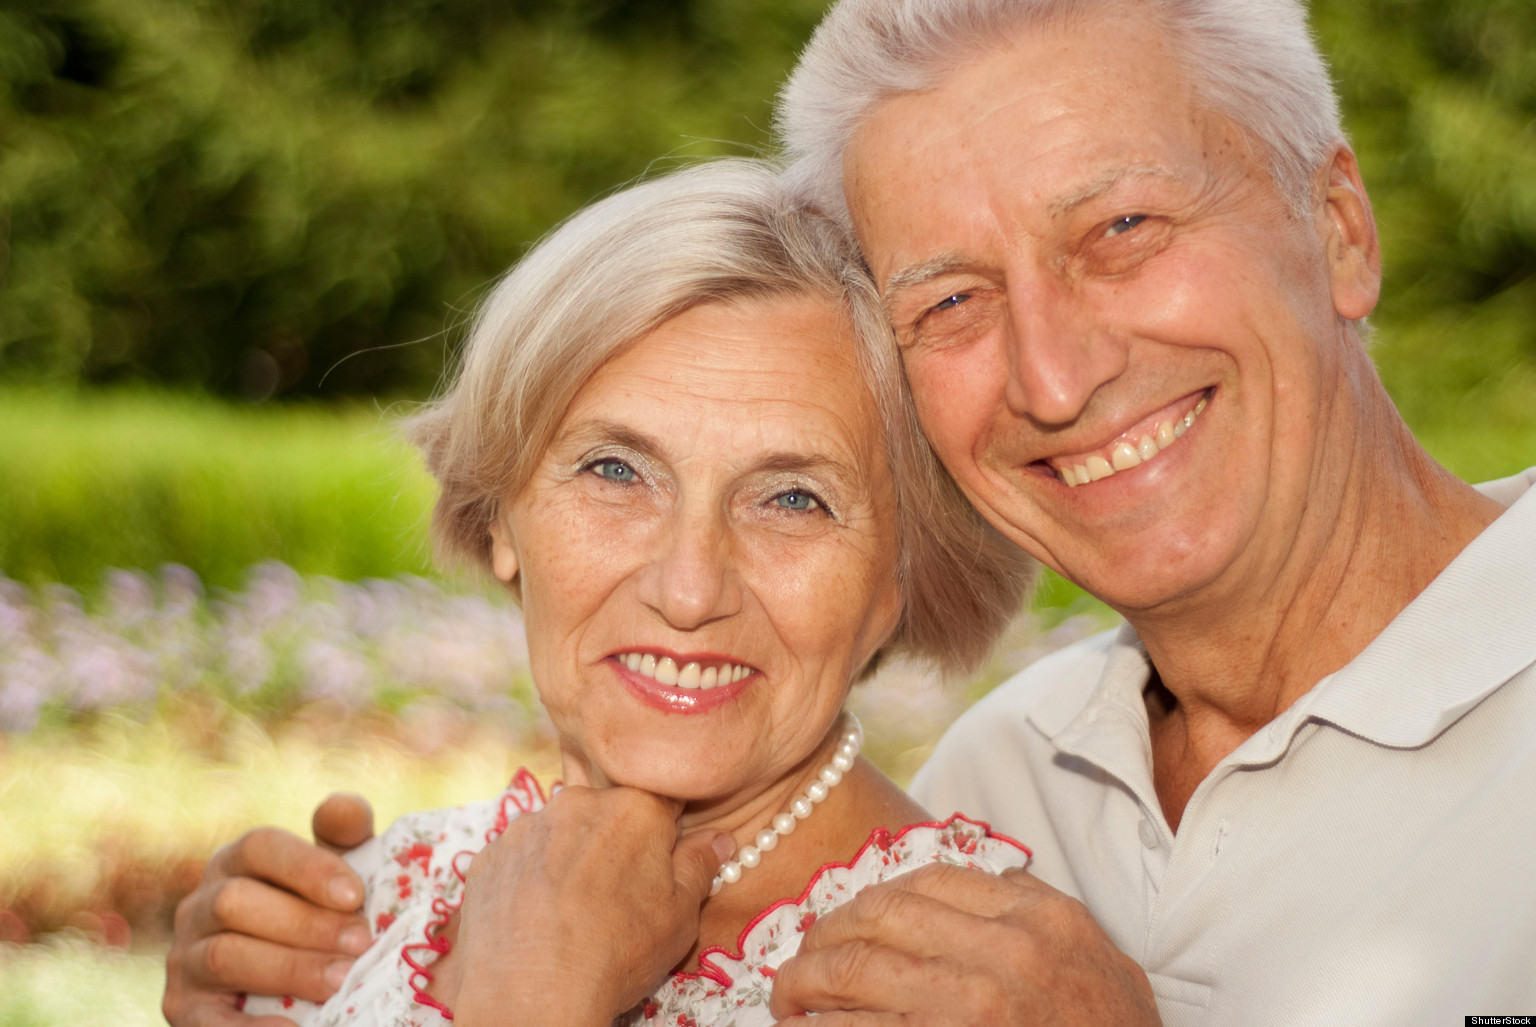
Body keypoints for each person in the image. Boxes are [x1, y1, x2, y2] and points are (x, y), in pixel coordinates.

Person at [167, 0, 1536, 1023]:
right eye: (951, 298)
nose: (1056, 375)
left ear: (1342, 227)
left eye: (1122, 229)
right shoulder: (1014, 771)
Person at [167, 157, 1038, 1027]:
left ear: (900, 574)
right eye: (616, 470)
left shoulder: (966, 982)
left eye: (792, 499)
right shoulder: (375, 900)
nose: (690, 589)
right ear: (502, 515)